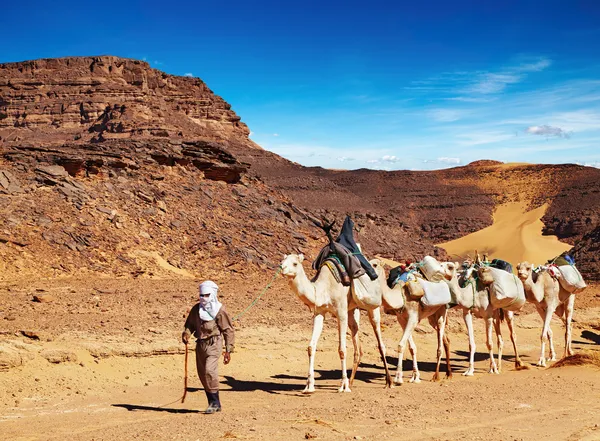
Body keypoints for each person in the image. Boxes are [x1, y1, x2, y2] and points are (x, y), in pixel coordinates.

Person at [182, 280, 235, 413]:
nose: (203, 298)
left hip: (214, 343)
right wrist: (186, 334)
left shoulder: (220, 311)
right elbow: (190, 325)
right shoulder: (196, 309)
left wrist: (228, 350)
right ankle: (212, 402)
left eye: (206, 295)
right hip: (200, 345)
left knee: (209, 371)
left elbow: (228, 330)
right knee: (202, 374)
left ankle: (215, 403)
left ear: (212, 294)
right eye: (201, 295)